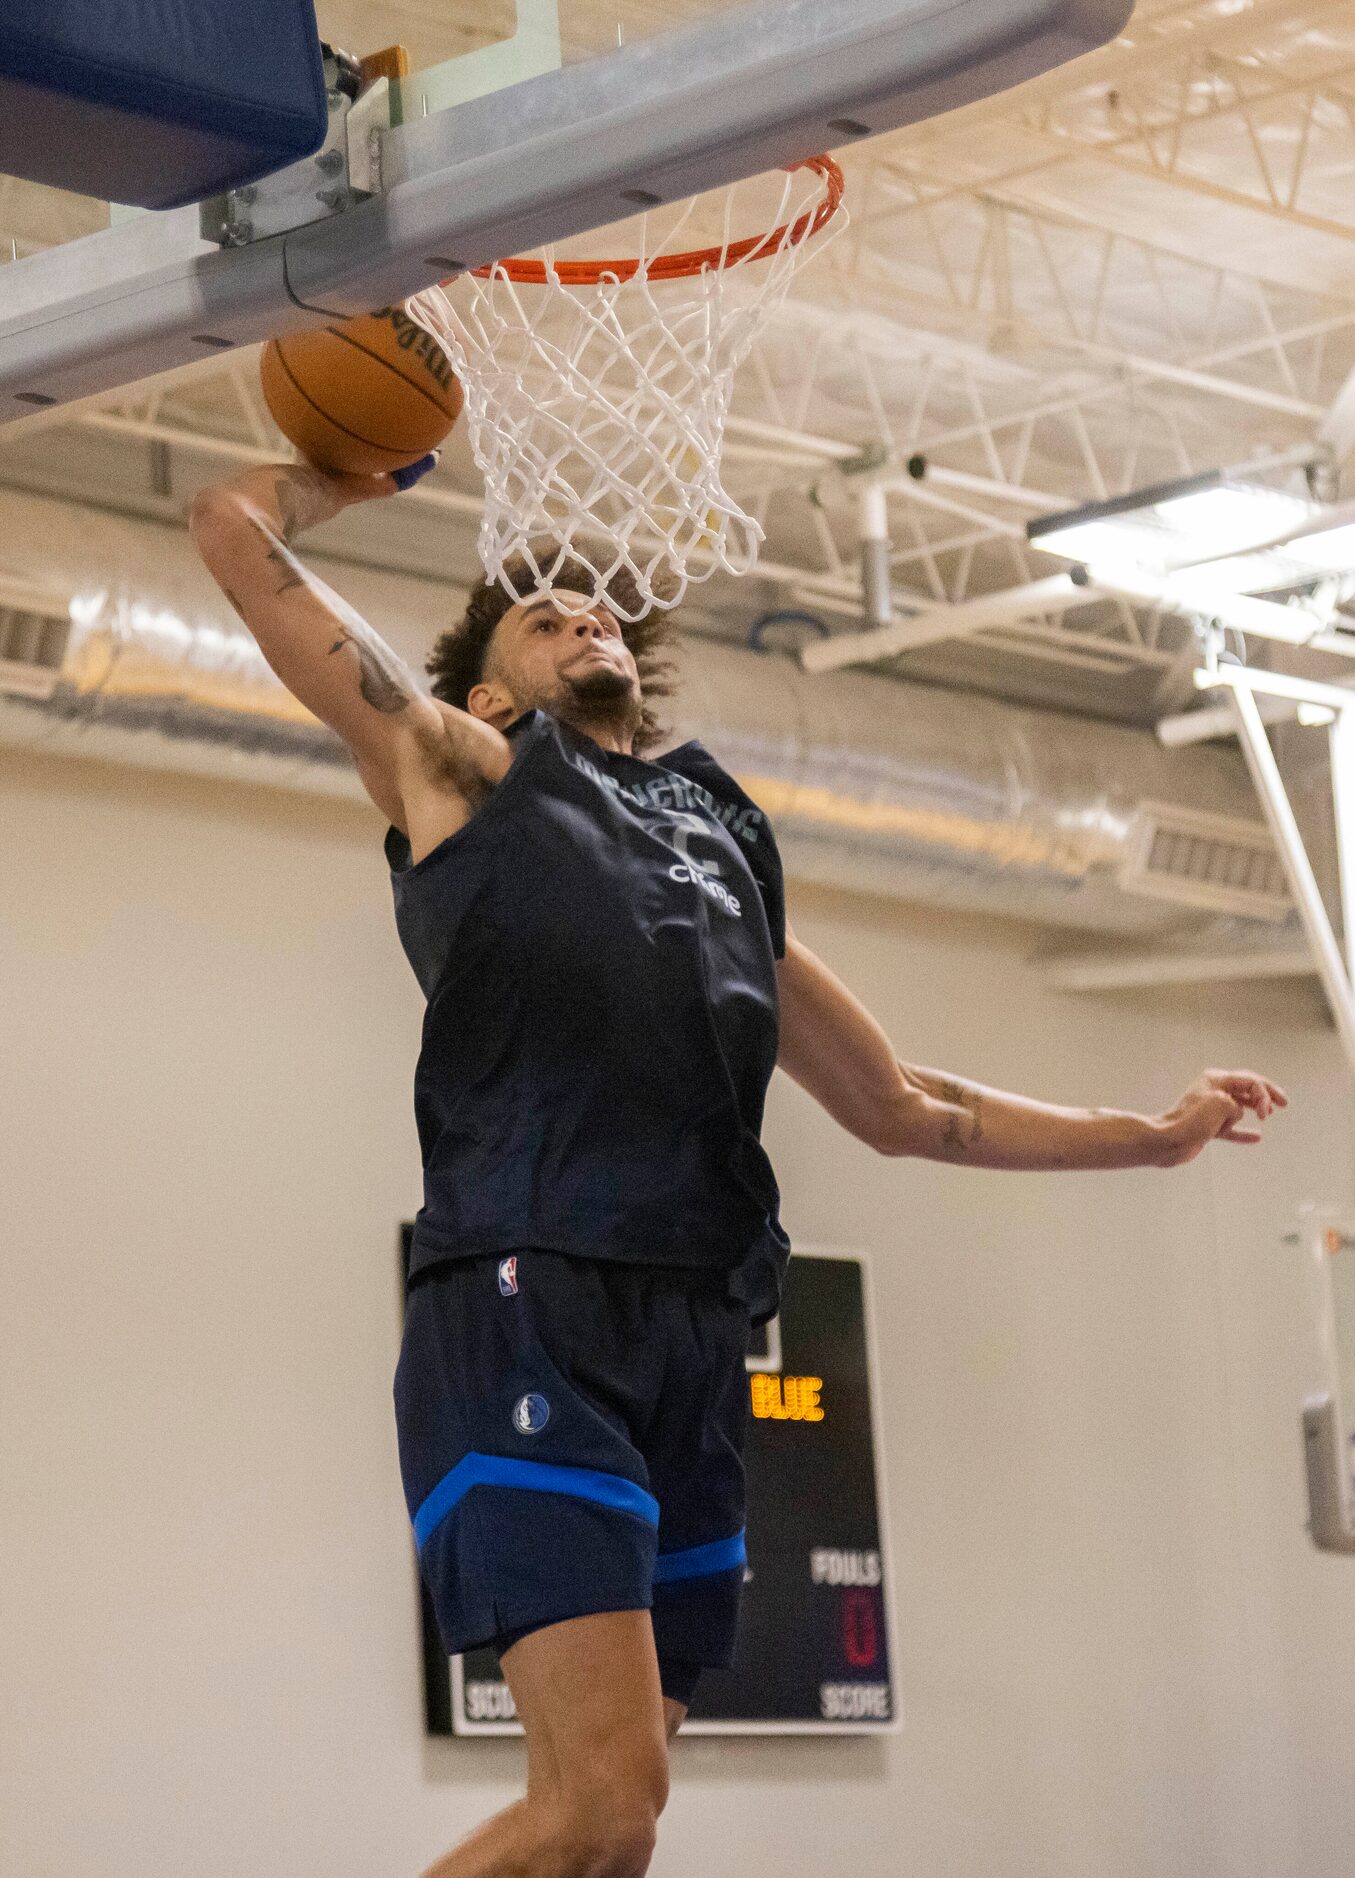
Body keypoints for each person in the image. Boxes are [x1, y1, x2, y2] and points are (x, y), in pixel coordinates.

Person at [189, 455, 1287, 1878]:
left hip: (695, 1340)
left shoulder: (718, 850)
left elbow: (904, 1103)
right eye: (545, 619)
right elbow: (230, 530)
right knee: (600, 1803)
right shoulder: (464, 765)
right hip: (532, 1301)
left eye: (600, 613)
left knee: (611, 1837)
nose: (586, 619)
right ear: (491, 691)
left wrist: (1150, 1136)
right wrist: (324, 473)